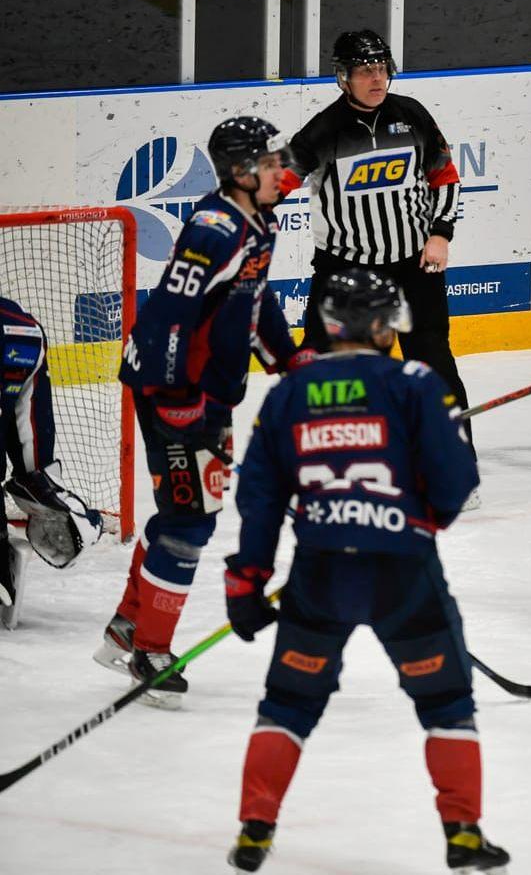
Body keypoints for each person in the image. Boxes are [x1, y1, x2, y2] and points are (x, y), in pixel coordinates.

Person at [223, 269, 499, 871]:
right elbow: (456, 485)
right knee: (447, 701)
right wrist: (420, 519)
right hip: (404, 575)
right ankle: (463, 834)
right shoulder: (415, 382)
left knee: (288, 705)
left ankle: (254, 828)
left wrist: (245, 580)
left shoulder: (288, 394)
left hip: (319, 577)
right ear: (380, 325)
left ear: (326, 325)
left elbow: (261, 500)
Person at [98, 116, 309, 707]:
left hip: (204, 394)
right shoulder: (215, 229)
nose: (280, 170)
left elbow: (254, 299)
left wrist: (286, 362)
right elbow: (169, 312)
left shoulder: (258, 222)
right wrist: (177, 400)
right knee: (192, 520)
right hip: (175, 391)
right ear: (241, 171)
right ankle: (150, 653)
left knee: (185, 511)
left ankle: (128, 627)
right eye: (269, 163)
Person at [281, 29, 475, 470]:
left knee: (433, 365)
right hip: (345, 275)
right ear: (342, 78)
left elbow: (444, 178)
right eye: (365, 70)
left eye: (382, 68)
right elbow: (277, 182)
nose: (376, 78)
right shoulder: (324, 130)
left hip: (413, 268)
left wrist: (440, 232)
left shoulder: (412, 115)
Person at [0, 295, 104, 629]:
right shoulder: (24, 330)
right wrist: (38, 478)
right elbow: (30, 427)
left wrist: (39, 482)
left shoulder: (23, 333)